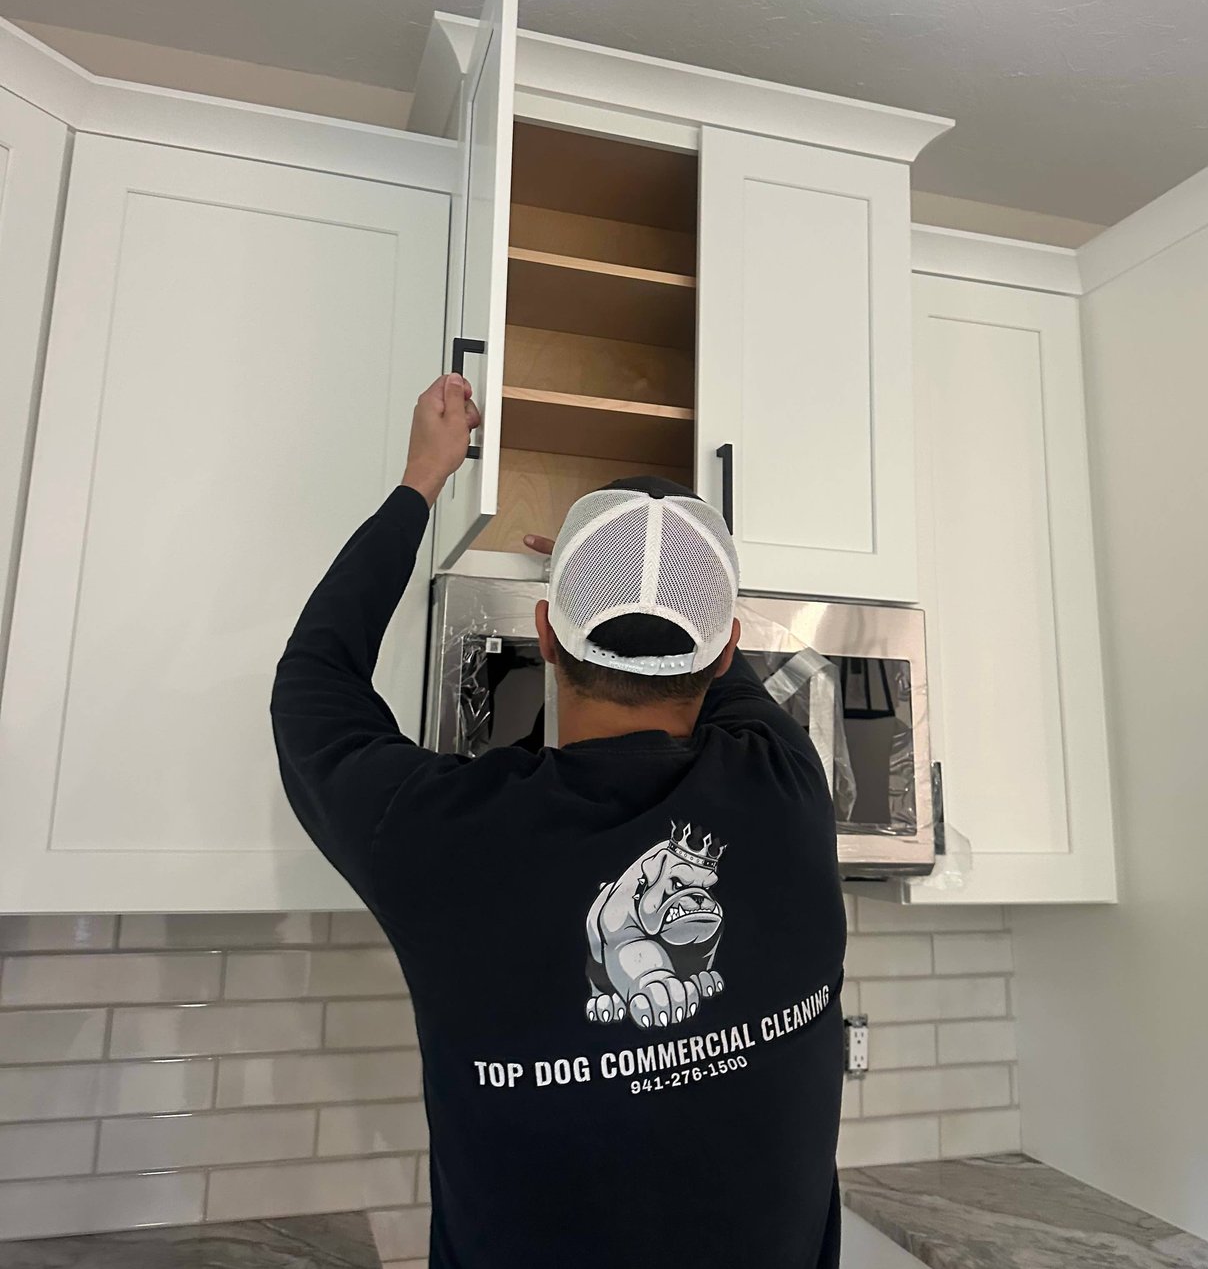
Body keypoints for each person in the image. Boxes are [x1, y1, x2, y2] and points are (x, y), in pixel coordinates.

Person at [271, 372, 849, 1269]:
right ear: (728, 646)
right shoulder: (789, 787)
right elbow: (717, 667)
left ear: (543, 631)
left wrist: (423, 482)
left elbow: (315, 681)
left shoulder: (440, 839)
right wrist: (629, 587)